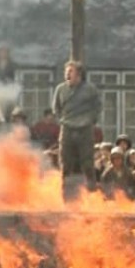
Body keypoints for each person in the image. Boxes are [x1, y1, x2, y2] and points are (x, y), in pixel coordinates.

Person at [52, 60, 101, 200]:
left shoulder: (90, 89)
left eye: (71, 72)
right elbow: (56, 108)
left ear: (79, 74)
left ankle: (92, 193)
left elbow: (97, 107)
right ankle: (65, 196)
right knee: (65, 162)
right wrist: (61, 120)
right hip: (67, 127)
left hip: (84, 129)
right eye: (66, 72)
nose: (67, 74)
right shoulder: (60, 89)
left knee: (87, 163)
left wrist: (90, 120)